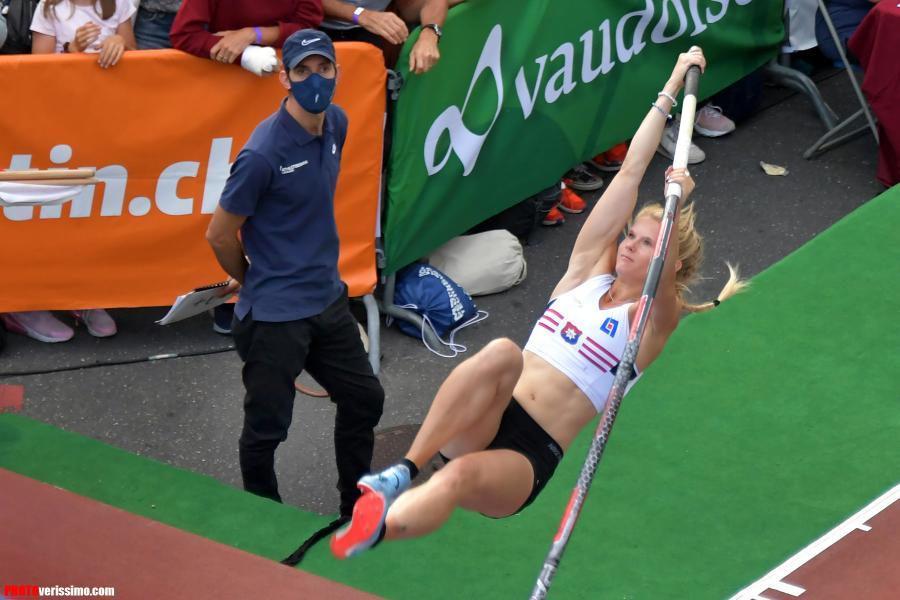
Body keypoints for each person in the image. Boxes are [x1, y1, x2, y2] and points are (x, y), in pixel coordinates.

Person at [330, 47, 747, 559]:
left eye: (645, 243)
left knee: (457, 478)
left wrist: (679, 201)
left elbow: (661, 281)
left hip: (529, 455)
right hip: (488, 411)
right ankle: (401, 473)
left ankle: (376, 532)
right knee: (503, 352)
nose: (629, 245)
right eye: (632, 235)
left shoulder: (650, 323)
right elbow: (629, 173)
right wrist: (672, 84)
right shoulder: (586, 273)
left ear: (670, 263)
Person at [205, 29, 385, 516]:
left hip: (326, 299)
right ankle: (264, 515)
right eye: (302, 71)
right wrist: (251, 276)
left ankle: (354, 506)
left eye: (323, 68)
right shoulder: (262, 155)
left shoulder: (337, 123)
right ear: (283, 77)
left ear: (337, 72)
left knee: (364, 399)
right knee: (267, 429)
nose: (314, 79)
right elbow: (219, 234)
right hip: (275, 318)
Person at [169, 0, 323, 76]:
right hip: (222, 78)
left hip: (285, 81)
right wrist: (247, 55)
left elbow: (307, 27)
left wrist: (254, 34)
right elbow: (185, 33)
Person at [320, 0, 447, 74]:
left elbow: (428, 2)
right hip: (319, 27)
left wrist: (430, 35)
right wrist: (360, 14)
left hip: (370, 30)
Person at [30, 0, 136, 68]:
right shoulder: (49, 6)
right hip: (67, 85)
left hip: (110, 83)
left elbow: (135, 59)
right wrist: (72, 49)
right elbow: (39, 68)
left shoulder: (119, 2)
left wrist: (120, 42)